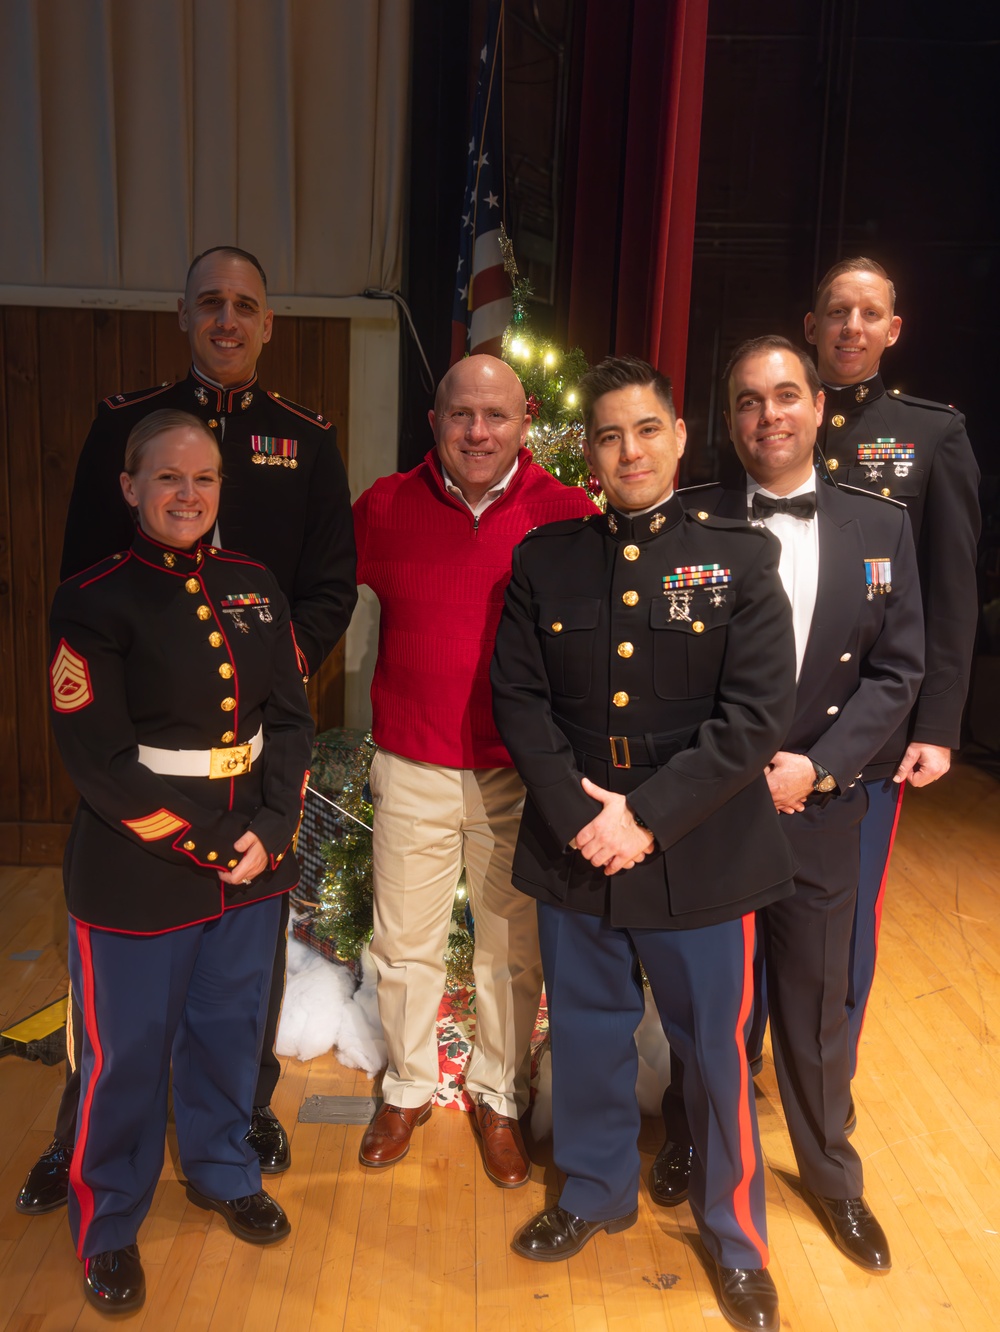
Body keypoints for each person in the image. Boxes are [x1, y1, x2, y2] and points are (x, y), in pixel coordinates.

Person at [17, 245, 356, 1216]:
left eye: (245, 304)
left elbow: (328, 585)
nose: (227, 319)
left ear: (269, 322)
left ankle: (235, 1125)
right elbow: (91, 573)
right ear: (183, 314)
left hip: (251, 746)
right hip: (143, 755)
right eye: (210, 302)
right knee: (113, 996)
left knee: (234, 987)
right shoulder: (123, 425)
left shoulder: (304, 438)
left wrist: (270, 676)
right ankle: (82, 1130)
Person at [491, 354, 799, 1332]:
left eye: (646, 429)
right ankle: (591, 1192)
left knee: (712, 1054)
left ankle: (734, 1233)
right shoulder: (547, 560)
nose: (629, 449)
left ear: (677, 435)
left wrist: (644, 816)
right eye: (609, 434)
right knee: (584, 1035)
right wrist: (585, 817)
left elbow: (753, 719)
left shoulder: (739, 558)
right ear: (587, 452)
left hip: (696, 848)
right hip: (576, 843)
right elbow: (519, 698)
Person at [651, 338, 923, 1276]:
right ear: (727, 421)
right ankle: (691, 1137)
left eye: (785, 397)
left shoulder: (881, 526)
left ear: (816, 407)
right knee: (708, 999)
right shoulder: (689, 520)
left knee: (815, 1001)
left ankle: (831, 1175)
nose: (769, 416)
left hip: (821, 802)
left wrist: (820, 767)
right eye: (747, 402)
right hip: (717, 809)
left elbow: (897, 672)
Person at [48, 410, 314, 1313]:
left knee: (229, 1034)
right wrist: (208, 843)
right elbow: (98, 759)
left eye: (203, 480)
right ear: (131, 489)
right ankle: (110, 1219)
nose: (187, 495)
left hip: (253, 859)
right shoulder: (95, 596)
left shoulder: (253, 584)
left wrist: (273, 828)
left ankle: (220, 1167)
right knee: (124, 1057)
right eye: (168, 478)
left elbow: (291, 719)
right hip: (141, 866)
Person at [353, 354, 595, 1188]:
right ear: (436, 421)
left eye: (495, 415)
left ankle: (499, 1094)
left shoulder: (567, 513)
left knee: (509, 951)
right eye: (462, 415)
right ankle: (410, 1085)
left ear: (526, 420)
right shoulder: (384, 507)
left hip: (519, 774)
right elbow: (313, 596)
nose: (479, 432)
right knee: (402, 945)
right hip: (412, 760)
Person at [804, 259, 980, 1075]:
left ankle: (829, 1076)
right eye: (837, 312)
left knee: (848, 915)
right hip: (772, 711)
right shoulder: (779, 418)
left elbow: (952, 589)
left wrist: (937, 727)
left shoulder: (931, 432)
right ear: (811, 326)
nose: (851, 327)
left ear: (893, 330)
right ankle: (746, 1062)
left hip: (873, 723)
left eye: (868, 313)